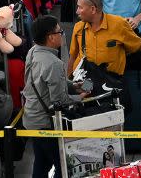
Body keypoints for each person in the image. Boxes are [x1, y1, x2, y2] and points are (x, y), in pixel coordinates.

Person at [23, 15, 85, 178]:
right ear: (51, 37)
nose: (63, 34)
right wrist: (81, 97)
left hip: (31, 117)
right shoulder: (54, 63)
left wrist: (72, 86)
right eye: (60, 32)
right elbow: (60, 102)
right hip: (46, 123)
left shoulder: (32, 51)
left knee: (42, 163)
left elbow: (39, 82)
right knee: (62, 165)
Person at [67, 0, 141, 78]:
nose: (77, 11)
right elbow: (73, 56)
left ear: (93, 9)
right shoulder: (78, 27)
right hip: (84, 84)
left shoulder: (118, 24)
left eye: (80, 7)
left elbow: (138, 43)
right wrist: (68, 82)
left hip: (111, 83)